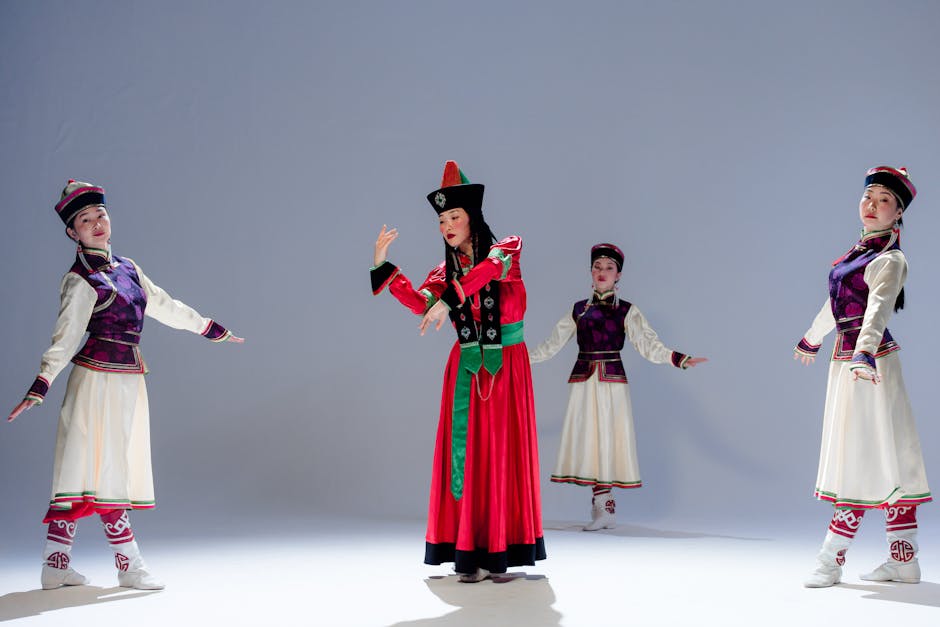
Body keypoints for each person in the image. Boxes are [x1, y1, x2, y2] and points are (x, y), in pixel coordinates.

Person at [8, 180, 243, 591]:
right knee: (98, 466)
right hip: (96, 383)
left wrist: (209, 328)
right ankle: (127, 563)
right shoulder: (81, 280)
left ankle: (55, 563)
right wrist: (41, 383)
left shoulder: (129, 269)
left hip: (127, 382)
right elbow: (64, 339)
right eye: (85, 219)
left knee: (97, 465)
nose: (96, 223)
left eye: (100, 214)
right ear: (72, 232)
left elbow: (165, 306)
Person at [370, 161, 544, 583]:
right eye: (441, 219)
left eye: (454, 216)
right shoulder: (442, 273)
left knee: (501, 453)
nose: (446, 225)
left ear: (473, 218)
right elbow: (418, 302)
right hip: (465, 369)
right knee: (466, 458)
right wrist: (382, 263)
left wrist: (449, 300)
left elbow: (487, 271)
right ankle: (469, 552)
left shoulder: (507, 249)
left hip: (506, 366)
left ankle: (499, 551)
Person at [795, 166, 929, 588]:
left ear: (898, 213)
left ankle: (831, 557)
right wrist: (811, 338)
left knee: (864, 452)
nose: (872, 205)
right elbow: (835, 306)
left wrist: (865, 353)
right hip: (848, 361)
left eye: (884, 200)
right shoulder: (856, 254)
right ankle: (903, 560)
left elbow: (878, 310)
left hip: (868, 365)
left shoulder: (890, 259)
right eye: (868, 196)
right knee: (879, 449)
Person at [528, 243, 706, 530]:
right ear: (590, 272)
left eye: (609, 268)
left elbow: (648, 345)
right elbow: (550, 346)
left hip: (612, 382)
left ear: (618, 275)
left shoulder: (626, 311)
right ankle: (601, 508)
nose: (602, 272)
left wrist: (678, 359)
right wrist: (517, 358)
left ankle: (606, 509)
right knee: (588, 439)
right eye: (597, 267)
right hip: (584, 381)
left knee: (608, 438)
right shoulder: (577, 310)